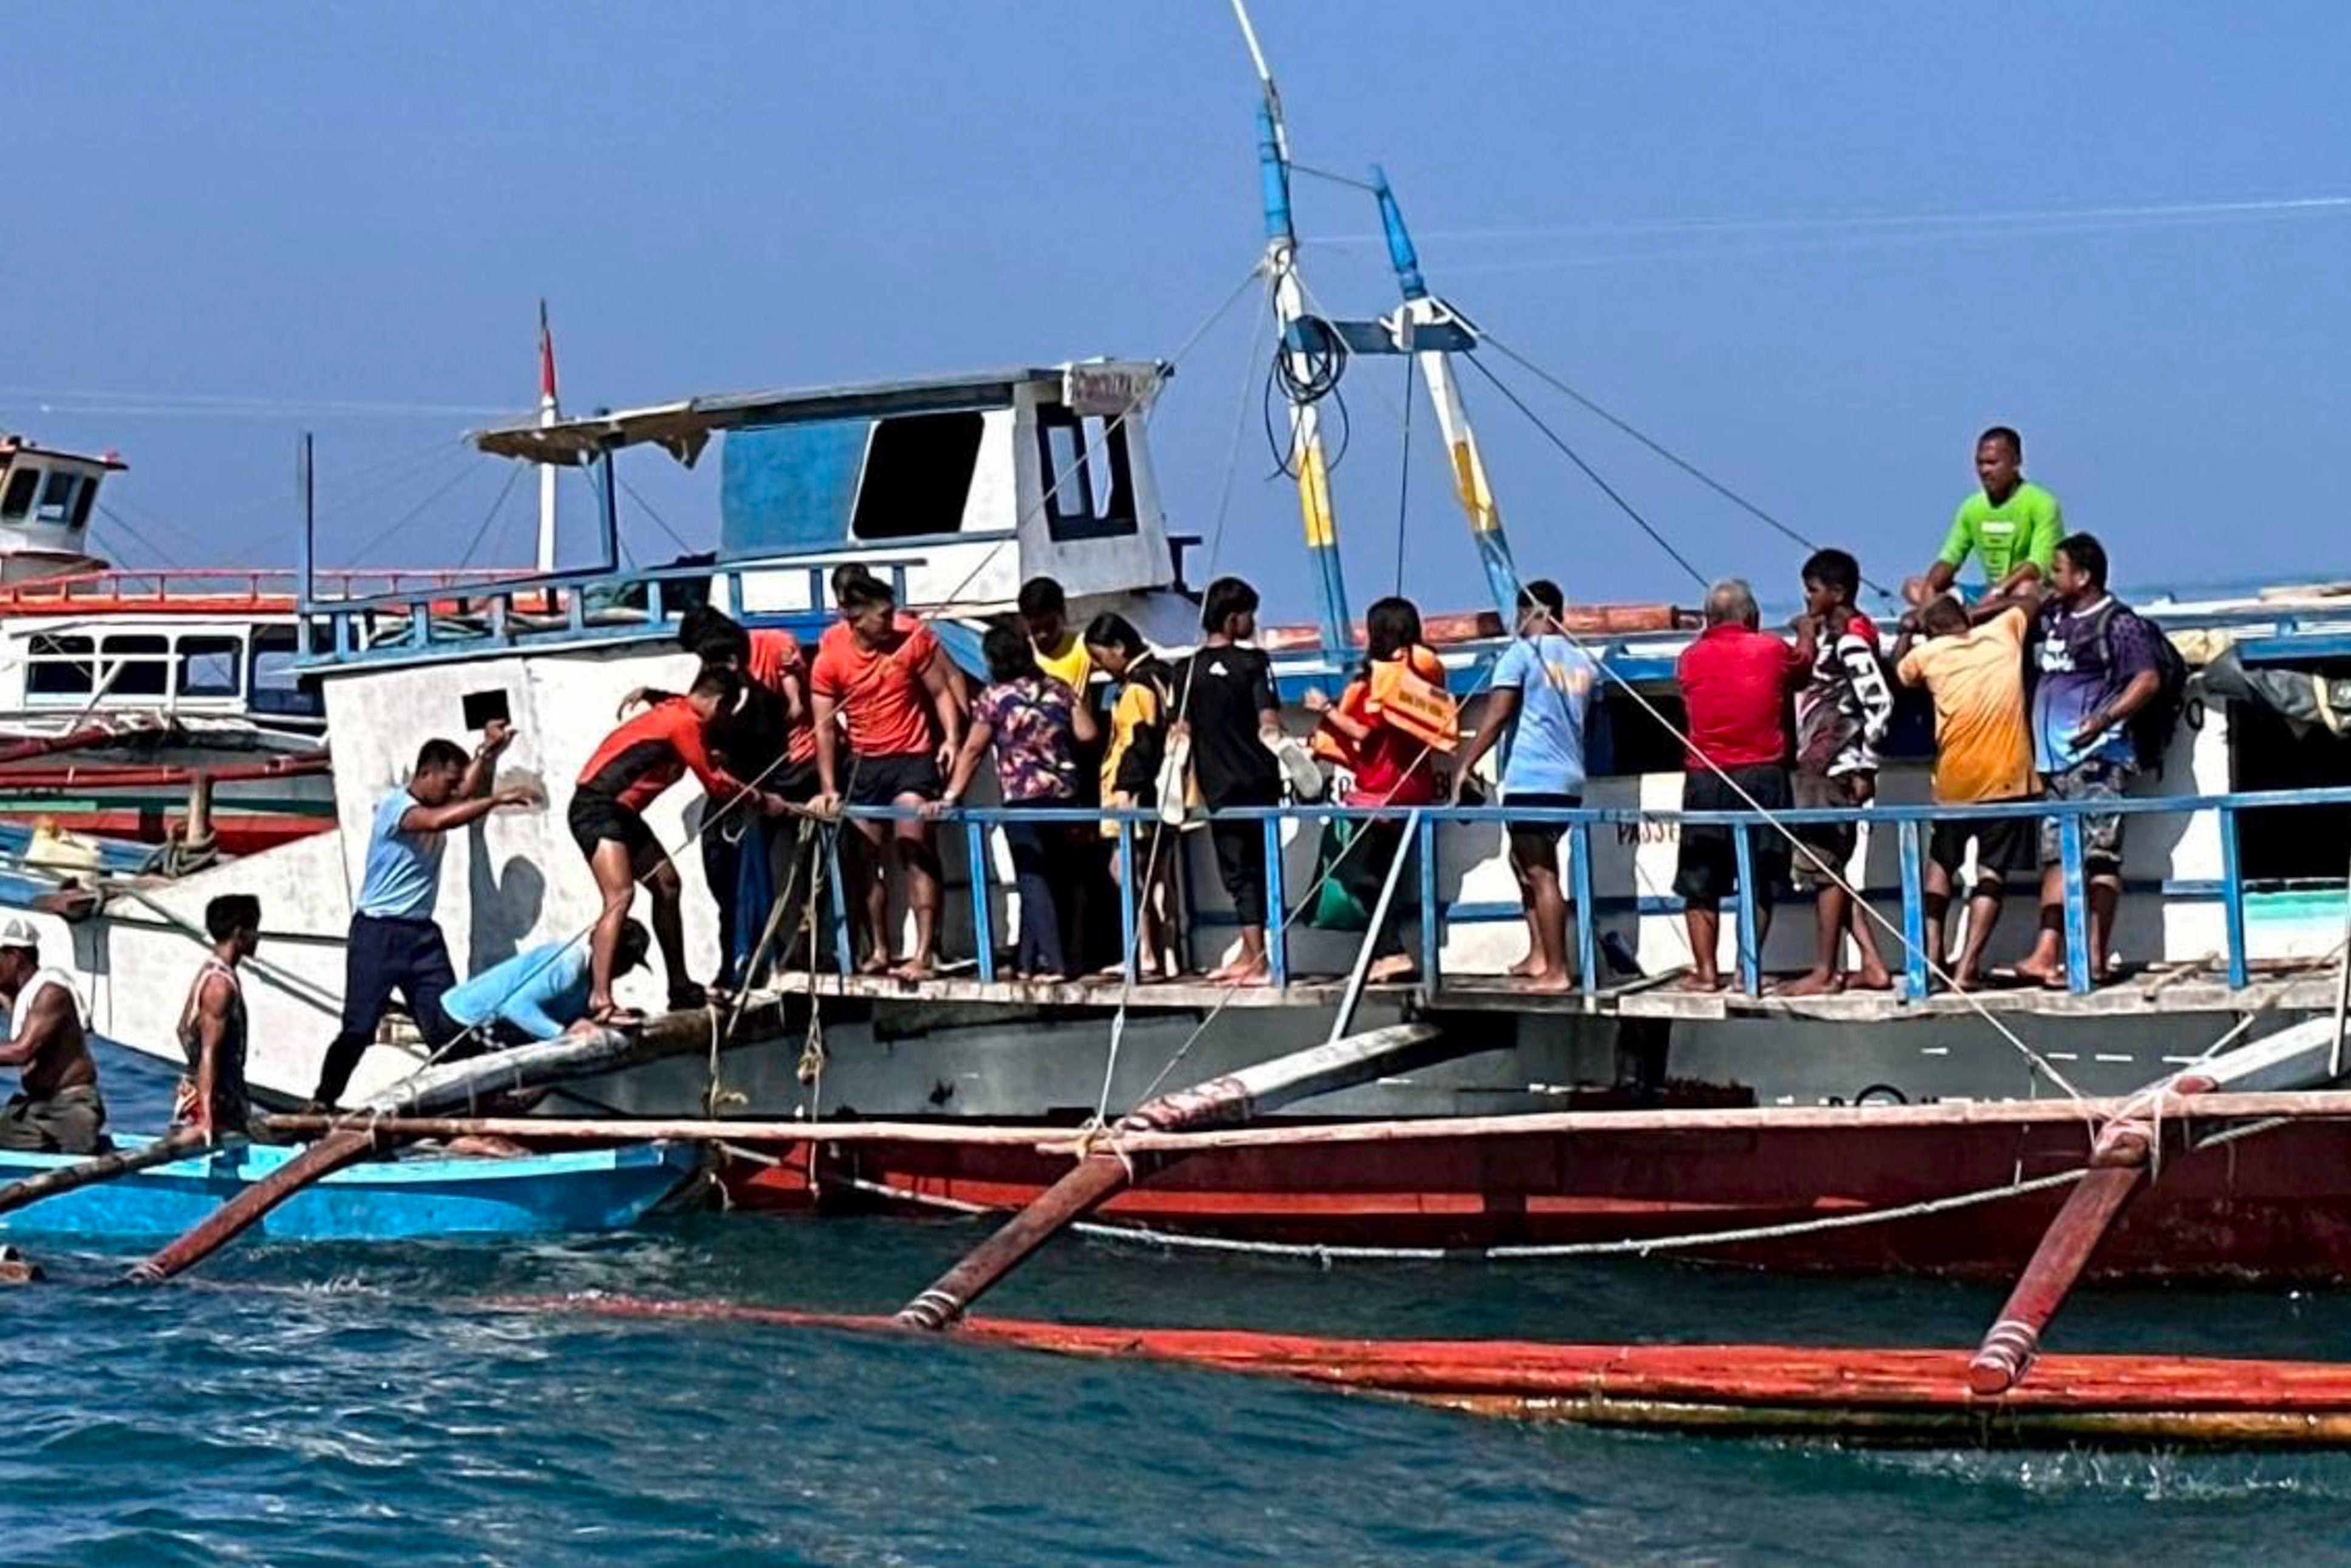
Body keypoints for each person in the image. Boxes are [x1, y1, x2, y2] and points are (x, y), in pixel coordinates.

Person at [311, 724, 531, 1109]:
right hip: (379, 932)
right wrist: (497, 799)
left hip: (422, 936)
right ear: (426, 773)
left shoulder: (438, 798)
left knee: (447, 1025)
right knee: (359, 1029)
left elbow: (464, 793)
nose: (454, 791)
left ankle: (474, 1101)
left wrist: (487, 753)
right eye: (448, 782)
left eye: (455, 784)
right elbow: (439, 821)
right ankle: (323, 1100)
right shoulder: (397, 808)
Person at [572, 665, 792, 1023]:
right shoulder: (685, 723)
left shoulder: (680, 708)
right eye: (725, 712)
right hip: (596, 808)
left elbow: (674, 702)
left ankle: (680, 986)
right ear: (719, 703)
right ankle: (601, 999)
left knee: (668, 885)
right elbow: (716, 784)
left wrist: (648, 691)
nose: (722, 722)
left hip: (622, 814)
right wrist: (763, 799)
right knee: (620, 896)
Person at [2011, 533, 2163, 987]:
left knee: (2099, 859)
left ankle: (2094, 956)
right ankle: (2047, 954)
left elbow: (2146, 680)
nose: (2050, 578)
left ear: (2083, 576)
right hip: (2054, 764)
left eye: (2057, 570)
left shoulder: (2119, 624)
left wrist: (2103, 721)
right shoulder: (2054, 617)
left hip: (2098, 761)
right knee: (2056, 857)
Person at [641, 606, 820, 989]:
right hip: (731, 795)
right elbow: (698, 714)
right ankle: (737, 958)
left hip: (765, 785)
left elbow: (788, 715)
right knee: (724, 881)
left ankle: (764, 956)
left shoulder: (760, 691)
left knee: (758, 879)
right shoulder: (718, 684)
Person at [808, 573, 966, 978]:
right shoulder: (829, 659)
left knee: (914, 846)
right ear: (855, 618)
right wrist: (829, 788)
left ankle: (924, 952)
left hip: (912, 759)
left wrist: (951, 738)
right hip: (864, 763)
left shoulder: (908, 642)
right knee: (864, 857)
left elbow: (941, 691)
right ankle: (879, 948)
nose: (890, 622)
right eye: (882, 616)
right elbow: (823, 728)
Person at [929, 623, 1100, 980]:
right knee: (1058, 875)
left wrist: (951, 794)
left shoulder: (995, 697)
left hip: (1023, 798)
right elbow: (1088, 733)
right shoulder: (1058, 688)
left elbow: (973, 750)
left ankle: (1055, 962)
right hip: (1063, 796)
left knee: (1032, 878)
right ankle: (1027, 961)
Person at [1450, 579, 1597, 992]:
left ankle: (1557, 969)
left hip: (1532, 779)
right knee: (1522, 864)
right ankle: (1539, 955)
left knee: (1540, 872)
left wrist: (1466, 765)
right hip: (1569, 780)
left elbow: (1497, 716)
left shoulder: (1520, 655)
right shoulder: (1584, 662)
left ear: (1530, 613)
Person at [1673, 579, 1813, 991]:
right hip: (1762, 774)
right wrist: (1806, 629)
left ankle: (1705, 972)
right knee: (1762, 876)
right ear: (1751, 616)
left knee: (1700, 882)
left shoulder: (1689, 658)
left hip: (1705, 776)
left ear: (1708, 618)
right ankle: (1745, 971)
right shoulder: (1770, 649)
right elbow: (1803, 668)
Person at [1303, 596, 1451, 983]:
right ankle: (1386, 954)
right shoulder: (1421, 678)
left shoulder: (1381, 682)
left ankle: (1392, 953)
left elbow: (1364, 733)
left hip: (1383, 794)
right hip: (1414, 789)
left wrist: (1325, 708)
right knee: (1387, 875)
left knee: (1359, 874)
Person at [1893, 596, 2038, 989]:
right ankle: (1967, 968)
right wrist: (1980, 610)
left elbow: (1896, 675)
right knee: (1992, 873)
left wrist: (1906, 631)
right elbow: (2030, 600)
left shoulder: (1928, 655)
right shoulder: (2003, 634)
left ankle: (1932, 959)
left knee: (1941, 864)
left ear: (1931, 631)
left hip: (1954, 781)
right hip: (2008, 779)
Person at [1781, 549, 1897, 996]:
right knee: (1830, 871)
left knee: (1823, 872)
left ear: (1838, 592)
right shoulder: (1834, 639)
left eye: (1813, 591)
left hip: (1832, 766)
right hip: (1820, 764)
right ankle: (1872, 964)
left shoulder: (1849, 642)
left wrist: (1866, 762)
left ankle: (1825, 971)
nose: (1807, 599)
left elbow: (1880, 702)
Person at [1172, 576, 1286, 984]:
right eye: (1250, 615)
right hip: (1260, 779)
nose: (1253, 623)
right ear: (1233, 618)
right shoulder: (1255, 663)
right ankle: (1255, 955)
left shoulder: (1185, 671)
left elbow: (1181, 729)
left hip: (1218, 784)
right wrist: (1284, 745)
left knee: (1237, 873)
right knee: (1261, 866)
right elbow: (1268, 721)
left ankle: (1254, 957)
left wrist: (1174, 771)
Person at [1084, 612, 1184, 980]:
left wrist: (1126, 788)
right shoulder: (1164, 675)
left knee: (1125, 870)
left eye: (1101, 658)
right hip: (1165, 792)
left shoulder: (1138, 687)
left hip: (1137, 793)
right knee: (1160, 875)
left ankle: (1145, 952)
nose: (1101, 667)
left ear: (1118, 648)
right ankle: (1169, 954)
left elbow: (1138, 742)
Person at [1905, 426, 2063, 612]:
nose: (1985, 470)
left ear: (2016, 462)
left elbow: (2038, 565)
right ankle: (1952, 617)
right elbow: (1950, 558)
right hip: (1987, 593)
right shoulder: (1972, 507)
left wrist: (2000, 589)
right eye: (1980, 463)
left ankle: (1967, 616)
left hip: (2026, 593)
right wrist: (1930, 589)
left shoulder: (2042, 504)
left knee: (2025, 588)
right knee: (1913, 586)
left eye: (1992, 463)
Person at [439, 921, 653, 1046]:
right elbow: (516, 1007)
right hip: (464, 1023)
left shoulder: (590, 985)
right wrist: (562, 1033)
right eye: (621, 962)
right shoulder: (570, 965)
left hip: (491, 1024)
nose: (623, 971)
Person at [0, 916, 104, 1153]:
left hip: (69, 1109)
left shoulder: (51, 993)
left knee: (79, 1164)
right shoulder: (20, 992)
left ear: (14, 957)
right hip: (37, 1107)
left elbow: (21, 1052)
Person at [171, 894, 260, 1139]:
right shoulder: (219, 986)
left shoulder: (215, 971)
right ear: (239, 933)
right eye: (254, 930)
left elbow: (183, 1030)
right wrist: (206, 1117)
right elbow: (208, 1052)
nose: (258, 937)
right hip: (215, 1103)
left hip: (223, 1095)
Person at [1019, 575, 1093, 694]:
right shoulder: (1020, 654)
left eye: (1050, 626)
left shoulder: (1083, 647)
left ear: (1063, 614)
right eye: (1035, 629)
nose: (1043, 635)